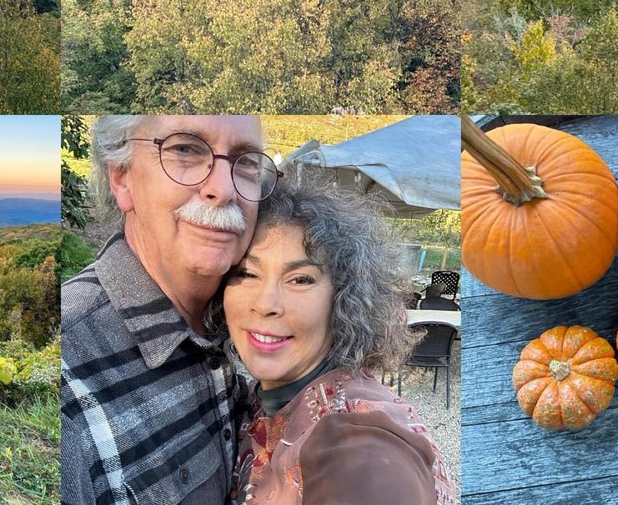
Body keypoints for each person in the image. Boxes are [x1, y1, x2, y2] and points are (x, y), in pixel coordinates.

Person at [61, 115, 282, 505]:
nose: (223, 189)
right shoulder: (69, 370)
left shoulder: (244, 321)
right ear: (122, 178)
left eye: (245, 162)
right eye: (185, 150)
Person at [219, 181, 456, 505]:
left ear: (344, 300)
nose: (265, 303)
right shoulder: (265, 397)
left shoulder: (357, 443)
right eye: (247, 273)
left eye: (300, 279)